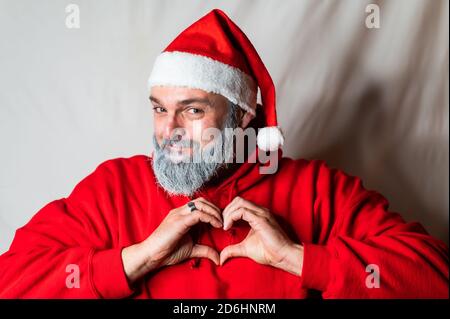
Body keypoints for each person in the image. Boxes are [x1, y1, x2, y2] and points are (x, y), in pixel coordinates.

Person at [0, 9, 447, 299]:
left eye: (192, 110)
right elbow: (11, 281)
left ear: (241, 118)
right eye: (159, 109)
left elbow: (434, 279)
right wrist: (134, 260)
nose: (168, 130)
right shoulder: (114, 188)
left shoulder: (317, 190)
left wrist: (299, 258)